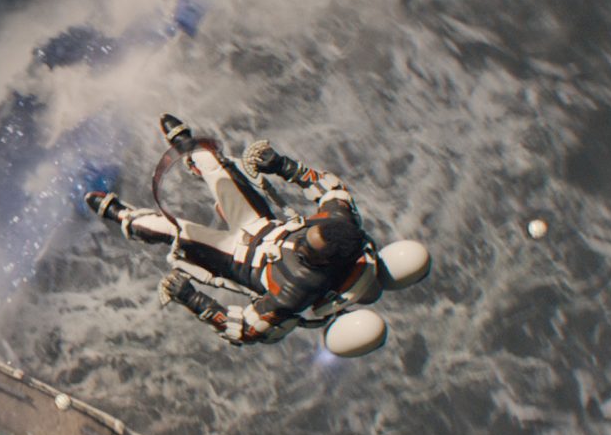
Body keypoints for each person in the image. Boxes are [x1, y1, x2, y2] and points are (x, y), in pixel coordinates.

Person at [87, 114, 418, 349]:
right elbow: (330, 189)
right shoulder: (340, 222)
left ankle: (122, 216)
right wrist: (281, 165)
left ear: (321, 262)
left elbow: (243, 329)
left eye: (306, 247)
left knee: (168, 229)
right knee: (215, 165)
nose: (301, 239)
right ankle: (188, 148)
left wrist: (191, 297)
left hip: (234, 257)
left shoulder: (292, 294)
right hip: (259, 224)